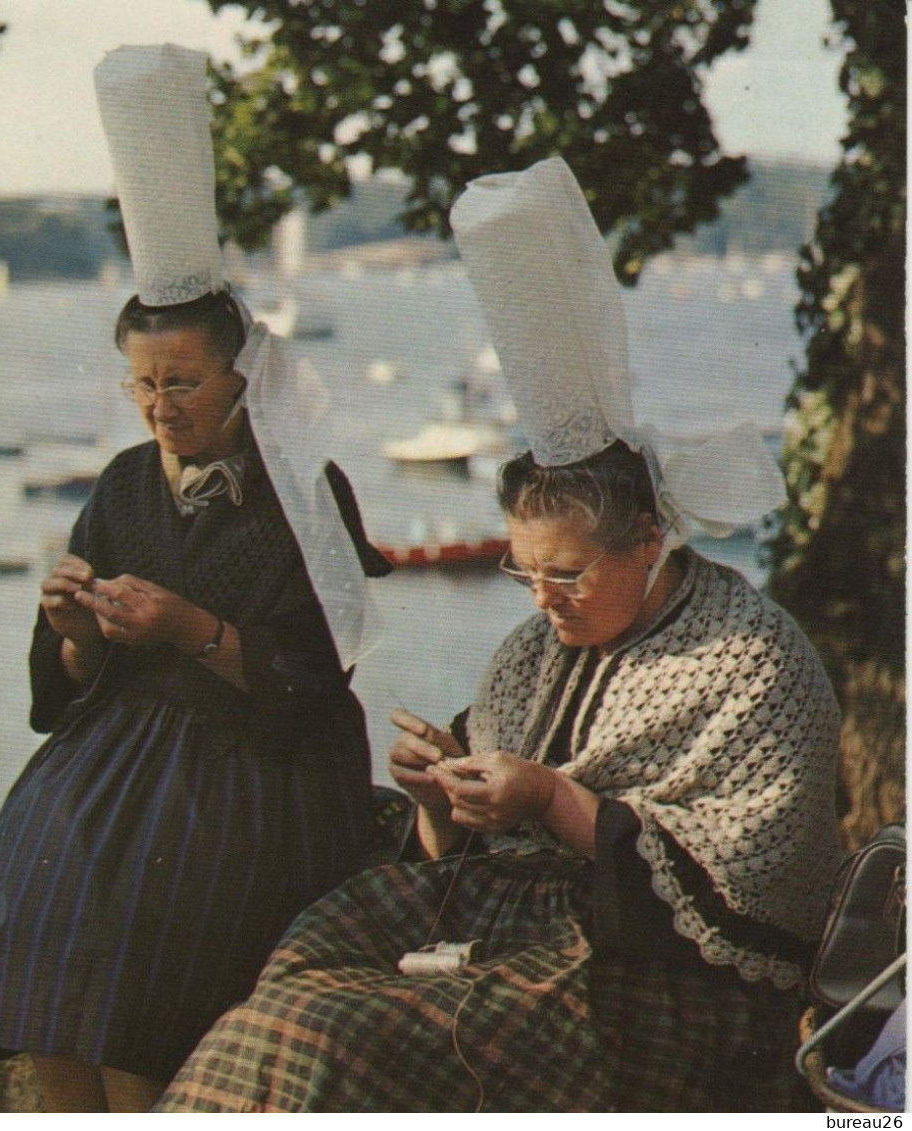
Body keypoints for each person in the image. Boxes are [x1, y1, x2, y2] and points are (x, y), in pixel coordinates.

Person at [156, 158, 844, 1112]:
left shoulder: (748, 657)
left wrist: (550, 796)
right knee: (285, 986)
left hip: (656, 977)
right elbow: (451, 855)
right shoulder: (533, 654)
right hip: (502, 922)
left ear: (648, 539)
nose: (543, 601)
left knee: (329, 1038)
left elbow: (746, 894)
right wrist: (443, 790)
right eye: (525, 573)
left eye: (567, 574)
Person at [0, 46, 389, 1112]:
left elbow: (317, 677)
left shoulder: (303, 492)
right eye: (144, 385)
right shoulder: (119, 483)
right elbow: (65, 682)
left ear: (244, 380)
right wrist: (77, 627)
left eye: (184, 383)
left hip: (256, 764)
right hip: (121, 754)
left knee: (152, 924)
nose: (161, 407)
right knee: (40, 887)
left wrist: (193, 624)